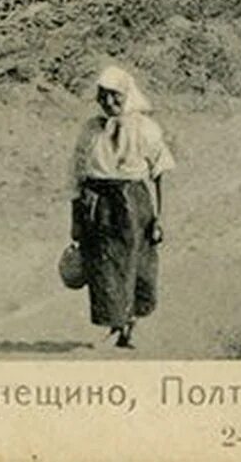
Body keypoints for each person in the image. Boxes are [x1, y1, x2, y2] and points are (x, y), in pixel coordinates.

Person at [69, 63, 175, 349]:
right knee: (103, 265)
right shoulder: (91, 130)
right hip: (97, 203)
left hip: (132, 202)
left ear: (128, 95)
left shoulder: (145, 129)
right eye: (103, 96)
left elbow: (160, 172)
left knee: (135, 264)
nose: (109, 102)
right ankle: (113, 324)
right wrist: (76, 218)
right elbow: (76, 175)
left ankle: (129, 325)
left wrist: (159, 218)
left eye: (116, 96)